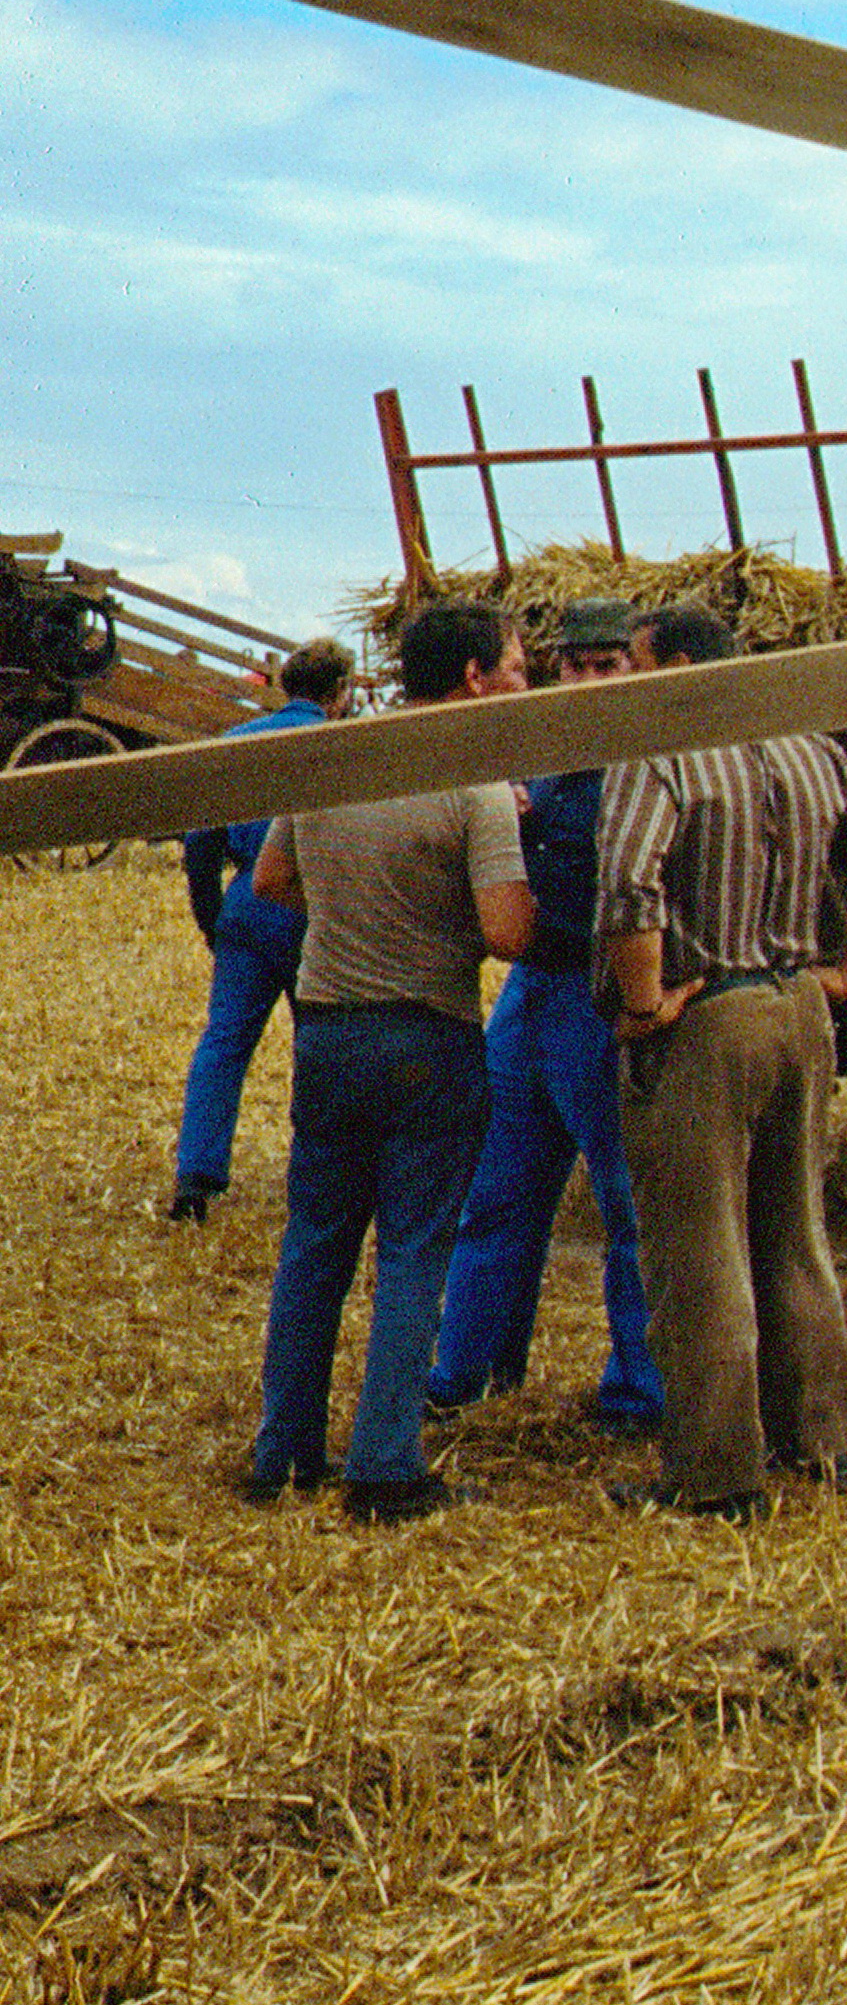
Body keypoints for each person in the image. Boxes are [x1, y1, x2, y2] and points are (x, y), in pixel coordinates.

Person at [594, 605, 847, 1520]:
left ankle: (714, 1475)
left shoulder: (657, 754)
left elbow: (627, 889)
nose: (627, 677)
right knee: (796, 1236)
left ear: (685, 665)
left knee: (700, 1254)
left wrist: (643, 1002)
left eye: (636, 661)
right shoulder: (807, 746)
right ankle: (823, 1443)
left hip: (707, 1019)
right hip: (798, 1008)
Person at [242, 601, 534, 1520]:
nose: (525, 683)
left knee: (314, 1244)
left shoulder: (334, 755)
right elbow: (505, 930)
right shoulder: (474, 782)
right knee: (412, 1252)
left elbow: (269, 881)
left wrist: (357, 904)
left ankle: (281, 1454)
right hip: (426, 1035)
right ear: (476, 678)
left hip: (327, 1030)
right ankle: (383, 1465)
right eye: (518, 668)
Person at [423, 596, 663, 1435]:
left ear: (637, 671)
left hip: (598, 993)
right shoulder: (546, 754)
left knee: (626, 1202)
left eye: (608, 667)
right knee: (495, 1187)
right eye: (575, 666)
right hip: (531, 991)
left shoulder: (650, 764)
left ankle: (638, 1392)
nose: (589, 681)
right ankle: (468, 1367)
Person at [166, 638, 359, 1220]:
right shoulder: (342, 748)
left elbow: (199, 847)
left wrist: (212, 919)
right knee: (320, 1044)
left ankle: (195, 1178)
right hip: (315, 905)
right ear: (340, 692)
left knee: (224, 1043)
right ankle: (322, 1176)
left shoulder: (235, 745)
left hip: (247, 904)